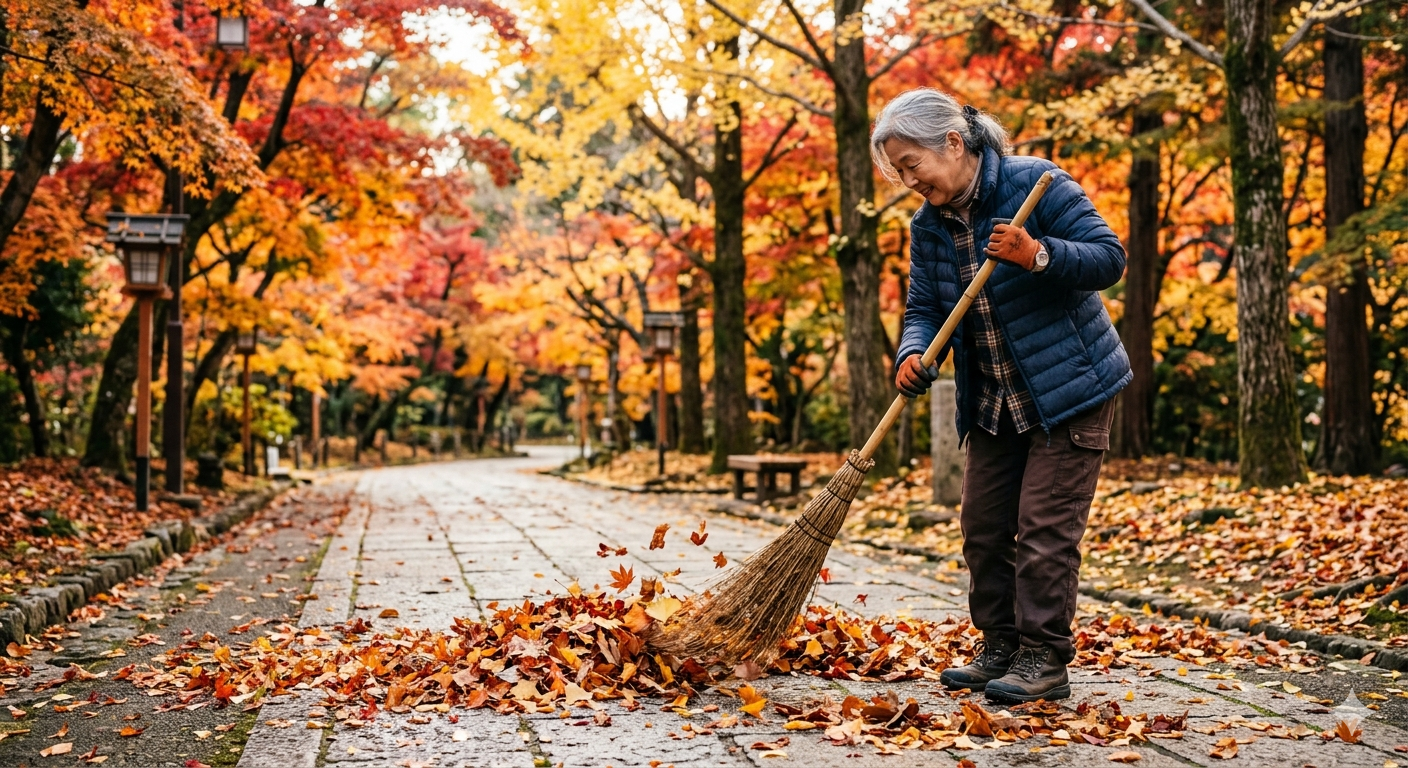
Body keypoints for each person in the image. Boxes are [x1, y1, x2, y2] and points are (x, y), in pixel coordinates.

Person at [871, 88, 1130, 704]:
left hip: (1070, 390)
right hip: (993, 399)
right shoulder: (928, 226)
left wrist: (1037, 254)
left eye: (912, 164)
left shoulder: (1036, 183)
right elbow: (924, 307)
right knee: (983, 528)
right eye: (900, 172)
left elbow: (1109, 259)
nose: (911, 181)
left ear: (952, 142)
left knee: (1043, 531)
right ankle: (1001, 645)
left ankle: (1044, 656)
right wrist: (913, 353)